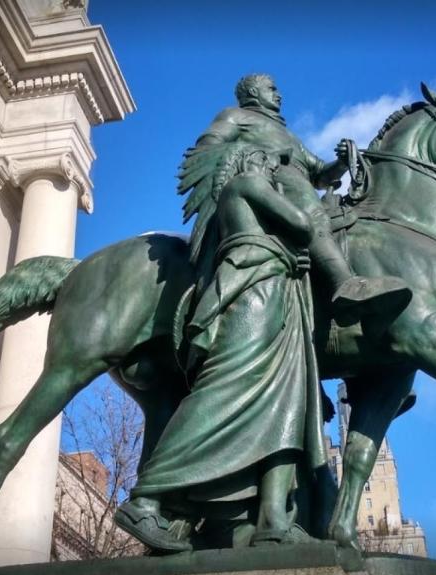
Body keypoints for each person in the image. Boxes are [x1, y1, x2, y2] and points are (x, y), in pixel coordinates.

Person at [115, 146, 327, 549]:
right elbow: (302, 224)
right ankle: (146, 500)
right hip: (252, 293)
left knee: (287, 402)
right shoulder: (245, 184)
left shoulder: (251, 190)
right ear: (249, 163)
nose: (273, 174)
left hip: (276, 291)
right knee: (220, 392)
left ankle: (272, 518)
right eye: (268, 166)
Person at [183, 73, 411, 321]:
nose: (278, 94)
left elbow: (321, 175)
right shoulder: (234, 116)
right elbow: (207, 149)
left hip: (297, 186)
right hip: (267, 183)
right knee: (308, 202)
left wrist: (343, 162)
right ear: (252, 93)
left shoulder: (287, 133)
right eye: (271, 88)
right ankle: (344, 284)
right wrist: (261, 157)